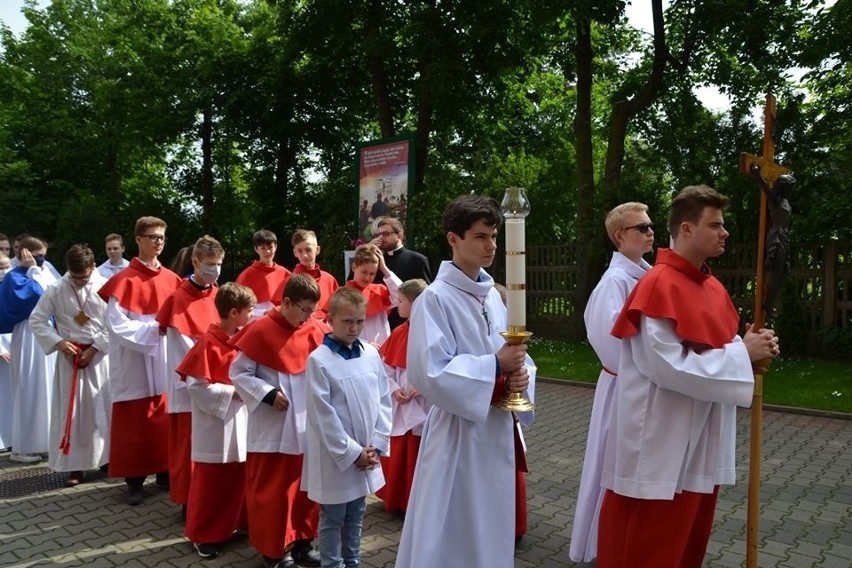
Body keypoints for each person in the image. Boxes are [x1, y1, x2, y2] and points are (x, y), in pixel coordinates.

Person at [598, 185, 780, 567]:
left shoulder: (711, 286)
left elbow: (720, 344)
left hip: (700, 441)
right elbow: (667, 366)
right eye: (715, 225)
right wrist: (741, 355)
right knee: (648, 550)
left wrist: (752, 347)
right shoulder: (658, 283)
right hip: (661, 442)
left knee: (686, 548)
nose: (724, 232)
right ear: (686, 229)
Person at [395, 195, 535, 568]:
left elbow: (517, 354)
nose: (491, 245)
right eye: (480, 237)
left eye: (493, 236)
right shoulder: (435, 299)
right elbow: (428, 371)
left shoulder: (493, 298)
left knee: (491, 517)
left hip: (495, 427)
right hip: (458, 432)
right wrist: (493, 366)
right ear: (453, 239)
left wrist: (521, 375)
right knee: (454, 521)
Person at [569, 202, 654, 563]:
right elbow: (609, 341)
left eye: (651, 226)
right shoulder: (614, 283)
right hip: (625, 388)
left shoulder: (644, 275)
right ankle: (600, 541)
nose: (651, 232)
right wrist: (652, 369)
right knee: (612, 464)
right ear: (620, 237)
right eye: (642, 227)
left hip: (642, 387)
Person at [231, 274, 329, 568]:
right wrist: (268, 393)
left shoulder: (311, 328)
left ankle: (302, 542)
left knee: (305, 489)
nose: (309, 317)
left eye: (313, 310)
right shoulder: (260, 330)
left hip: (305, 425)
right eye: (304, 309)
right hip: (274, 427)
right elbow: (239, 373)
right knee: (273, 494)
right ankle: (274, 551)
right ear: (286, 302)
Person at [302, 286, 392, 568]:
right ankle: (332, 563)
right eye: (347, 321)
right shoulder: (319, 360)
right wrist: (354, 452)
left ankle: (352, 560)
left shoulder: (370, 355)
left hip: (367, 452)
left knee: (357, 511)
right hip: (337, 456)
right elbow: (322, 415)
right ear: (331, 319)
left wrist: (376, 445)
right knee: (333, 516)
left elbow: (384, 400)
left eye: (360, 321)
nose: (354, 328)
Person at [97, 216, 182, 505]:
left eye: (161, 237)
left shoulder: (172, 279)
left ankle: (164, 471)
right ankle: (134, 480)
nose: (158, 242)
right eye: (152, 237)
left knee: (164, 414)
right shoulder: (123, 280)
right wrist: (152, 331)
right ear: (138, 240)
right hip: (134, 358)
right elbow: (116, 324)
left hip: (164, 355)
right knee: (134, 421)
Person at [177, 282, 256, 559]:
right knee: (212, 481)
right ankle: (204, 533)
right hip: (216, 425)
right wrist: (233, 392)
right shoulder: (208, 344)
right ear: (234, 312)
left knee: (239, 475)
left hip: (242, 420)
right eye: (249, 311)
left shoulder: (241, 339)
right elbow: (196, 387)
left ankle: (236, 523)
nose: (253, 315)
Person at [29, 244, 111, 487]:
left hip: (98, 358)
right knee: (71, 413)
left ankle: (106, 459)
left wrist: (95, 347)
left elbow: (114, 322)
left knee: (102, 408)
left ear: (92, 267)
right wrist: (60, 342)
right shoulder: (56, 289)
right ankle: (74, 466)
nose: (79, 282)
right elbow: (37, 320)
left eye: (83, 277)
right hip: (70, 357)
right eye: (75, 277)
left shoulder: (105, 285)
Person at [156, 235, 224, 512]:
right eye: (210, 264)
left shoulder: (218, 295)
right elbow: (186, 348)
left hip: (215, 382)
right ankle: (188, 502)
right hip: (189, 384)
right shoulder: (177, 299)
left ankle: (209, 499)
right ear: (195, 261)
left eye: (219, 264)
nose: (215, 270)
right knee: (188, 446)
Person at [0, 236, 59, 463]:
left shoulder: (41, 271)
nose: (42, 259)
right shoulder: (14, 277)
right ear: (26, 254)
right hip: (27, 335)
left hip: (44, 334)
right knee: (29, 387)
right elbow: (40, 296)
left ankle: (42, 441)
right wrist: (32, 270)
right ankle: (22, 447)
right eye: (38, 255)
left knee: (45, 387)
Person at [375, 278, 430, 514]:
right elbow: (385, 368)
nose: (397, 306)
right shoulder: (399, 332)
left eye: (401, 301)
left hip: (426, 404)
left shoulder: (435, 331)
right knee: (400, 452)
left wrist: (427, 386)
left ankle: (420, 501)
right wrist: (393, 388)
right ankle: (399, 498)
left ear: (416, 303)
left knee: (421, 452)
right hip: (401, 403)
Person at [370, 217, 432, 330]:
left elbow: (425, 296)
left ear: (399, 235)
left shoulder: (417, 260)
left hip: (407, 324)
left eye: (386, 234)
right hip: (379, 324)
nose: (381, 238)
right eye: (378, 235)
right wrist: (368, 253)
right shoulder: (376, 261)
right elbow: (354, 283)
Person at [272, 229, 339, 321]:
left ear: (317, 250)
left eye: (308, 250)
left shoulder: (329, 280)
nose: (305, 255)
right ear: (295, 252)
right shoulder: (289, 282)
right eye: (300, 251)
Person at [344, 243, 401, 345]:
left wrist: (384, 268)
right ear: (354, 267)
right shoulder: (342, 295)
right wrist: (365, 345)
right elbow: (338, 330)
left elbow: (401, 295)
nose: (367, 277)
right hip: (358, 351)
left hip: (383, 350)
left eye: (372, 273)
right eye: (364, 272)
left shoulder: (379, 290)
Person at [235, 229, 291, 320]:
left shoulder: (285, 274)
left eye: (270, 247)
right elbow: (239, 307)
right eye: (263, 248)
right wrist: (263, 313)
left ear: (276, 247)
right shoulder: (246, 275)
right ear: (256, 249)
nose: (267, 251)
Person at [0, 251, 14, 452]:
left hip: (15, 341)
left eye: (5, 267)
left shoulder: (13, 285)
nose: (3, 271)